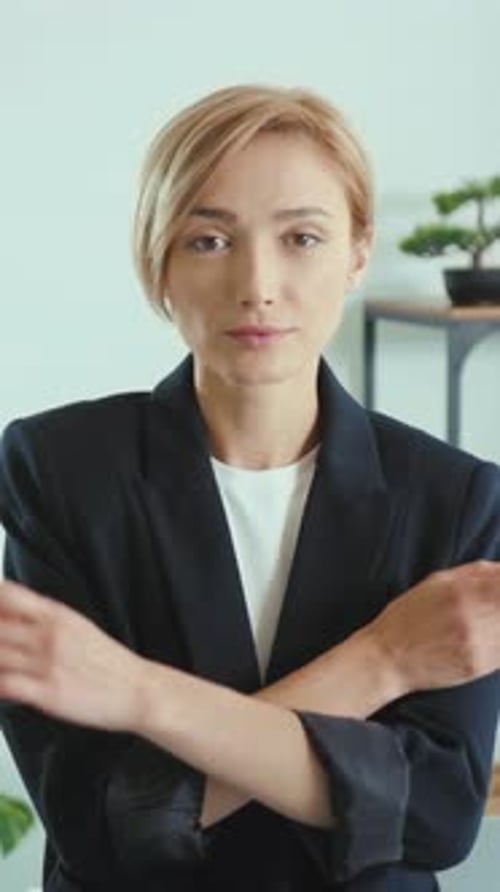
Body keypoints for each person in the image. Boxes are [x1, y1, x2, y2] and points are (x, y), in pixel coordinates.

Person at [0, 83, 499, 892]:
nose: (258, 283)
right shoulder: (59, 471)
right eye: (208, 240)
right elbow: (100, 825)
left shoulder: (457, 499)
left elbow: (435, 817)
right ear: (155, 261)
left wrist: (137, 700)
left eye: (302, 237)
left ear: (358, 252)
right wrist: (381, 662)